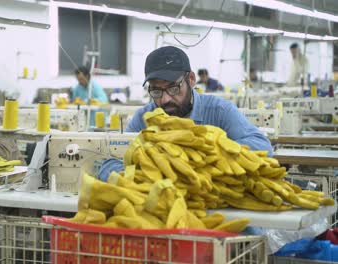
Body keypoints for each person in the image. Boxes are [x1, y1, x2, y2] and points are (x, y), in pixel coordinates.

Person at [98, 46, 273, 181]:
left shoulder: (219, 111)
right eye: (156, 91)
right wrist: (141, 176)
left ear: (191, 79)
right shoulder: (144, 118)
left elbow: (263, 147)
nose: (165, 99)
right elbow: (110, 162)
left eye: (173, 88)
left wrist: (203, 155)